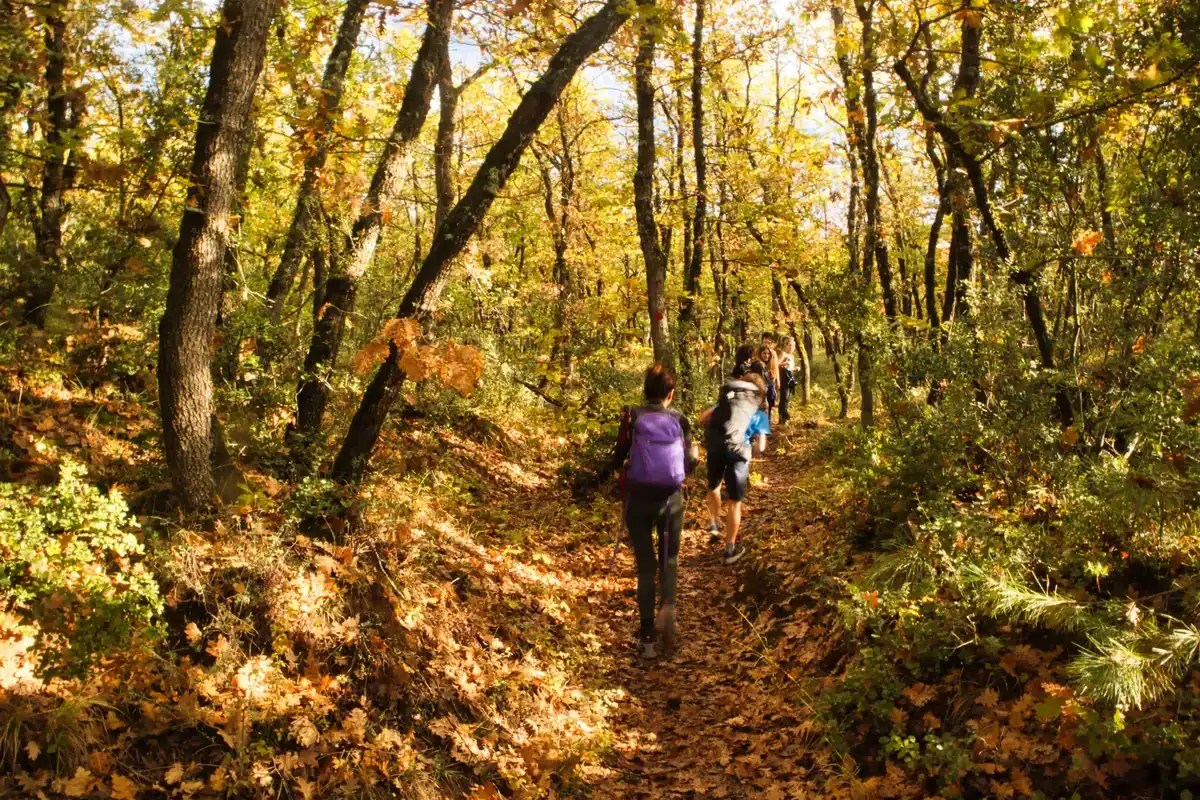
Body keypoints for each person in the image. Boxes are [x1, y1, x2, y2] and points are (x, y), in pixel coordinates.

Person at [604, 364, 699, 659]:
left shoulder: (632, 416)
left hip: (638, 500)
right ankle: (667, 610)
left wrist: (611, 474)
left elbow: (619, 453)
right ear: (670, 393)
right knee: (669, 561)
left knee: (646, 567)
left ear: (645, 390)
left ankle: (646, 640)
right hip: (671, 499)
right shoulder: (680, 419)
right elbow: (692, 459)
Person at [700, 345, 763, 565]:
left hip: (717, 446)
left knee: (713, 486)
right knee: (735, 501)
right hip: (739, 450)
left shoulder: (728, 395)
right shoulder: (758, 406)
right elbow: (761, 446)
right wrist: (750, 450)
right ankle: (729, 550)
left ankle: (715, 523)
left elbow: (704, 417)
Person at [777, 337, 797, 425]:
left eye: (792, 346)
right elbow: (776, 364)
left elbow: (790, 368)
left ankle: (783, 418)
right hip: (783, 378)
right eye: (789, 345)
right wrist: (783, 363)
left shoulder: (792, 356)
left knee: (786, 398)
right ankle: (783, 417)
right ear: (786, 346)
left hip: (790, 378)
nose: (790, 348)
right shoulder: (783, 354)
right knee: (784, 397)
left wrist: (795, 368)